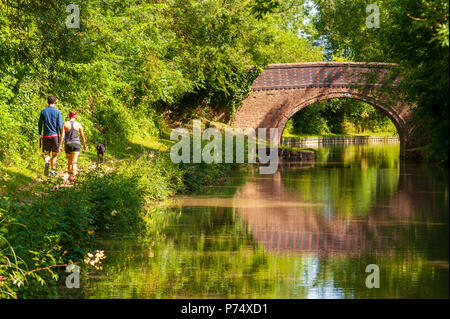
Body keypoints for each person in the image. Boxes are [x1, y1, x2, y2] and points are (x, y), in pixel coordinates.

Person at [38, 95, 63, 177]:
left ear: (47, 102)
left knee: (47, 153)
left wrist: (39, 133)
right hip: (55, 136)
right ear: (55, 102)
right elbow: (60, 125)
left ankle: (46, 163)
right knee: (54, 155)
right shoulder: (58, 112)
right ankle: (52, 171)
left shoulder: (43, 111)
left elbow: (40, 124)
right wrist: (62, 137)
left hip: (46, 136)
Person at [59, 111, 87, 183]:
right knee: (74, 162)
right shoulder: (78, 124)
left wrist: (60, 145)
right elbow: (82, 136)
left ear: (69, 116)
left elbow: (62, 136)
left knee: (69, 162)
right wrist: (84, 145)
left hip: (68, 145)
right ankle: (73, 178)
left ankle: (70, 176)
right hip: (76, 145)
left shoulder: (65, 124)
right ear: (76, 117)